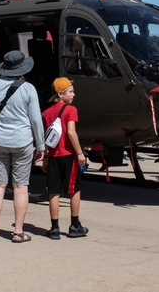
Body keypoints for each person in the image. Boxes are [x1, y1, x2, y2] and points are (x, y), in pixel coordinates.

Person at [0, 50, 45, 243]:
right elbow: (35, 119)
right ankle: (18, 232)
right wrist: (40, 145)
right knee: (20, 186)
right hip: (23, 141)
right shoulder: (29, 89)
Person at [42, 77, 89, 239]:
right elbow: (71, 132)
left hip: (54, 156)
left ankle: (54, 228)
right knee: (74, 189)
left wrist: (46, 157)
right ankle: (74, 225)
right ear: (60, 94)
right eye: (70, 91)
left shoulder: (46, 113)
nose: (74, 94)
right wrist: (80, 153)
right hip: (69, 156)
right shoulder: (71, 110)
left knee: (53, 192)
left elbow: (47, 138)